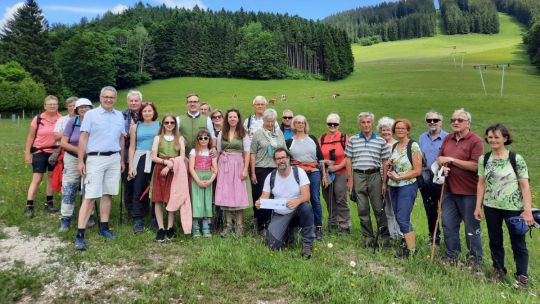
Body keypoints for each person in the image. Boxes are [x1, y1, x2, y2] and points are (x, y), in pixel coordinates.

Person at [474, 124, 533, 287]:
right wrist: (478, 206)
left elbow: (525, 185)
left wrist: (527, 210)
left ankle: (522, 276)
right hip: (491, 206)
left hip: (514, 207)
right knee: (495, 240)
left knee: (518, 242)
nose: (492, 140)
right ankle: (498, 270)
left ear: (505, 139)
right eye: (490, 137)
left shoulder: (516, 159)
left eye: (496, 137)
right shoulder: (484, 159)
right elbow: (481, 184)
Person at [74, 86, 126, 250]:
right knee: (90, 196)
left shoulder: (119, 116)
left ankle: (104, 227)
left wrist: (121, 159)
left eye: (112, 97)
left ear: (116, 99)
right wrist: (80, 161)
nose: (109, 99)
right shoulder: (90, 114)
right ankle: (80, 234)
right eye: (106, 97)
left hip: (114, 158)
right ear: (100, 97)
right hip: (95, 159)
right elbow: (83, 138)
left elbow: (121, 139)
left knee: (108, 194)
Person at [437, 108, 484, 265]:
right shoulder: (448, 138)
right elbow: (440, 158)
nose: (455, 122)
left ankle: (475, 260)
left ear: (468, 123)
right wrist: (442, 166)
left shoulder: (475, 141)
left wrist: (452, 160)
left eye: (459, 120)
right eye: (453, 120)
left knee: (471, 228)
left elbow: (476, 166)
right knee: (448, 224)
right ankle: (452, 256)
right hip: (449, 190)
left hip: (469, 192)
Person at [255, 148, 314, 259]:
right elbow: (264, 195)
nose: (281, 161)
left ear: (288, 159)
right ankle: (288, 232)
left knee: (306, 208)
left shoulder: (299, 172)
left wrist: (297, 201)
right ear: (275, 161)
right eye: (278, 159)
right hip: (280, 214)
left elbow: (306, 196)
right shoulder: (271, 176)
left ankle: (307, 244)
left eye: (283, 158)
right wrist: (260, 202)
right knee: (272, 245)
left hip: (297, 211)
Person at [345, 112, 391, 248]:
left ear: (372, 123)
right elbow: (348, 159)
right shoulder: (353, 140)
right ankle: (368, 238)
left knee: (378, 208)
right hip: (358, 175)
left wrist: (384, 182)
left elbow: (385, 162)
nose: (366, 124)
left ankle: (384, 238)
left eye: (368, 122)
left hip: (375, 176)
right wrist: (350, 180)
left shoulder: (380, 141)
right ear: (360, 124)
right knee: (362, 209)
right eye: (363, 122)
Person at [286, 115, 326, 241]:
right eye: (297, 122)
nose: (300, 125)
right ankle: (300, 225)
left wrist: (324, 175)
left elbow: (320, 159)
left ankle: (318, 227)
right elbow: (287, 160)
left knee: (315, 198)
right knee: (299, 199)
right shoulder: (290, 142)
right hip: (297, 173)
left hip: (313, 171)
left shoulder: (312, 139)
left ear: (305, 124)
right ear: (294, 124)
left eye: (302, 122)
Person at [387, 119, 422, 258]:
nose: (400, 130)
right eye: (397, 128)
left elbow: (417, 170)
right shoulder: (395, 146)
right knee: (399, 216)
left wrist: (399, 178)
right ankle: (408, 245)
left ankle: (411, 251)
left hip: (407, 186)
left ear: (408, 130)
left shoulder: (413, 146)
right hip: (393, 186)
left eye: (403, 128)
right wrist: (390, 166)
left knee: (402, 217)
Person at [215, 109, 251, 236]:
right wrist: (215, 166)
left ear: (238, 118)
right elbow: (218, 151)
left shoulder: (243, 133)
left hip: (238, 164)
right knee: (225, 194)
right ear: (227, 119)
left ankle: (240, 226)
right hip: (224, 164)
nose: (232, 119)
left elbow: (247, 153)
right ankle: (229, 225)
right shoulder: (221, 133)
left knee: (238, 194)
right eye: (230, 117)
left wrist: (245, 169)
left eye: (234, 117)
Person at [24, 95, 62, 217]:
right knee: (37, 179)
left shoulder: (61, 119)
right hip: (39, 152)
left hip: (55, 153)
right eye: (49, 104)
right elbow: (30, 136)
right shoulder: (38, 119)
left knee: (51, 177)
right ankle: (29, 206)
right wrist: (27, 153)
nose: (52, 106)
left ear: (57, 105)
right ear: (44, 106)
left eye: (54, 104)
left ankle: (49, 204)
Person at [250, 109, 287, 236]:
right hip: (261, 168)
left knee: (276, 196)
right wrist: (253, 172)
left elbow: (284, 150)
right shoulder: (258, 134)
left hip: (278, 169)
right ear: (263, 121)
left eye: (272, 121)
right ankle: (262, 225)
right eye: (268, 121)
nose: (270, 124)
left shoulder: (279, 133)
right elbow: (253, 153)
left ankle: (276, 223)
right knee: (263, 197)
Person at [58, 98, 93, 231]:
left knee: (89, 186)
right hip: (72, 158)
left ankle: (88, 215)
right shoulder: (72, 121)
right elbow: (64, 142)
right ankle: (66, 217)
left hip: (91, 159)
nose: (84, 109)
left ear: (91, 108)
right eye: (81, 107)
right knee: (69, 186)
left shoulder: (95, 122)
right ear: (77, 110)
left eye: (87, 107)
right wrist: (80, 151)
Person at [151, 114, 186, 242]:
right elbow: (153, 156)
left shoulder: (180, 138)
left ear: (175, 124)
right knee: (158, 198)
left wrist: (171, 165)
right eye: (167, 122)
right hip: (161, 168)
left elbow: (182, 157)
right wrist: (165, 163)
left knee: (172, 198)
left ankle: (170, 227)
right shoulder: (157, 138)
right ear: (163, 124)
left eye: (172, 122)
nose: (169, 125)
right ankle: (161, 228)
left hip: (175, 169)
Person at [128, 102, 160, 234]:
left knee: (154, 189)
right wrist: (130, 165)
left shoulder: (159, 126)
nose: (147, 113)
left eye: (150, 111)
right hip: (139, 158)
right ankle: (138, 219)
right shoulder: (135, 127)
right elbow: (132, 147)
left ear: (154, 113)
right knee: (138, 187)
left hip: (154, 158)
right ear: (141, 113)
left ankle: (155, 218)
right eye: (145, 111)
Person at [418, 111, 448, 247]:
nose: (432, 123)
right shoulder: (422, 138)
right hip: (426, 179)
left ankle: (449, 241)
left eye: (435, 120)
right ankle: (434, 239)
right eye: (429, 120)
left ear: (440, 122)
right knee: (430, 210)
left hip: (442, 178)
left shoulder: (448, 137)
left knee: (446, 211)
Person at [320, 113, 350, 234]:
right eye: (330, 124)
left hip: (341, 172)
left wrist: (338, 167)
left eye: (335, 124)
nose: (332, 126)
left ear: (338, 125)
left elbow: (348, 156)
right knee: (329, 199)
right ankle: (332, 223)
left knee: (340, 198)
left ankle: (345, 226)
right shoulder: (322, 138)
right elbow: (319, 157)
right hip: (326, 173)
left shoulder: (344, 137)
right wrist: (323, 174)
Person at [189, 129, 218, 237]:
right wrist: (198, 181)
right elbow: (191, 168)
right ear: (197, 139)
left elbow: (215, 169)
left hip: (208, 178)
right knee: (197, 202)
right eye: (200, 138)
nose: (203, 140)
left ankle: (206, 227)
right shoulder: (194, 151)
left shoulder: (211, 152)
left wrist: (210, 180)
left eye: (206, 138)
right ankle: (196, 227)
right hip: (197, 178)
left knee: (206, 202)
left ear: (209, 139)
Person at [377, 116, 400, 240]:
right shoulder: (378, 144)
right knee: (387, 209)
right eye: (383, 130)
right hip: (379, 179)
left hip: (393, 180)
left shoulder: (397, 145)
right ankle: (392, 235)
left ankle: (400, 234)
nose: (385, 132)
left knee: (396, 208)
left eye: (388, 130)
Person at [122, 90, 143, 218]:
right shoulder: (122, 115)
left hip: (142, 154)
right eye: (131, 100)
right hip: (125, 153)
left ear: (140, 101)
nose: (134, 103)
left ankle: (142, 209)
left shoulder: (146, 113)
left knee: (142, 183)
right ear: (128, 101)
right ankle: (129, 211)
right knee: (128, 183)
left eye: (136, 100)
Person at [210, 109, 225, 229]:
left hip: (225, 164)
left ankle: (226, 217)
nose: (217, 118)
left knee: (225, 190)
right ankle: (216, 217)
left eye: (219, 116)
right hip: (211, 165)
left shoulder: (227, 131)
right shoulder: (210, 132)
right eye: (214, 117)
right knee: (214, 190)